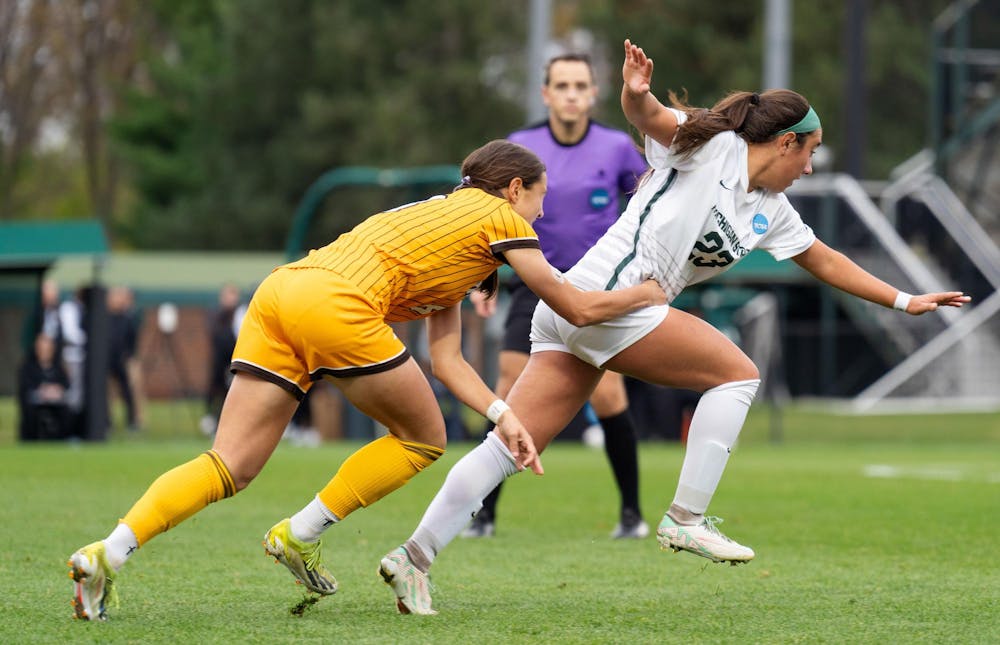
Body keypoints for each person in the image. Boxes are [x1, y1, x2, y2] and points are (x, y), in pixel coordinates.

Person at [375, 39, 972, 615]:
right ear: (785, 142)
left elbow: (825, 260)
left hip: (582, 308)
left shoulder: (771, 208)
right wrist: (635, 92)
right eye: (809, 152)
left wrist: (903, 300)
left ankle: (414, 557)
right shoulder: (711, 148)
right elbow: (650, 114)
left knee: (509, 445)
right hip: (604, 299)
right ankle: (685, 519)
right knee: (738, 375)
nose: (811, 166)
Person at [65, 139, 666, 621]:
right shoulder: (495, 214)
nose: (540, 211)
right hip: (336, 302)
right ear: (513, 190)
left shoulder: (447, 224)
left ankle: (106, 553)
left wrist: (503, 413)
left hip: (280, 294)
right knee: (424, 438)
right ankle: (300, 532)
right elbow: (575, 306)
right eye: (539, 198)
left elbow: (448, 360)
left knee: (230, 465)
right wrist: (648, 290)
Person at [463, 52, 650, 540]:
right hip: (530, 283)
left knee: (608, 393)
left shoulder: (616, 148)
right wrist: (484, 278)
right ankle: (484, 515)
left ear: (593, 94)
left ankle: (631, 515)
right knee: (507, 389)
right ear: (545, 94)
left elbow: (650, 207)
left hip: (594, 286)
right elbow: (483, 216)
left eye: (580, 85)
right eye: (561, 85)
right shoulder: (520, 147)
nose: (570, 93)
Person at [199, 283, 246, 437]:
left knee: (230, 393)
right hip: (219, 361)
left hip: (234, 360)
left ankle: (224, 425)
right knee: (214, 389)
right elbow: (215, 334)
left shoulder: (240, 313)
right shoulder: (216, 314)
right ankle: (211, 418)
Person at [17, 332, 72, 441]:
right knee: (30, 413)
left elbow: (66, 385)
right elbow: (26, 386)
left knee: (67, 412)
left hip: (55, 402)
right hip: (35, 403)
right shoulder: (28, 367)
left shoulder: (58, 367)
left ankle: (64, 438)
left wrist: (56, 390)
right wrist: (42, 390)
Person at [106, 286, 142, 432]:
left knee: (128, 391)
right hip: (107, 361)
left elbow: (132, 340)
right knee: (106, 394)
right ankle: (107, 423)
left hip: (121, 360)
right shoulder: (104, 318)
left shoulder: (127, 318)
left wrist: (129, 357)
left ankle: (132, 421)